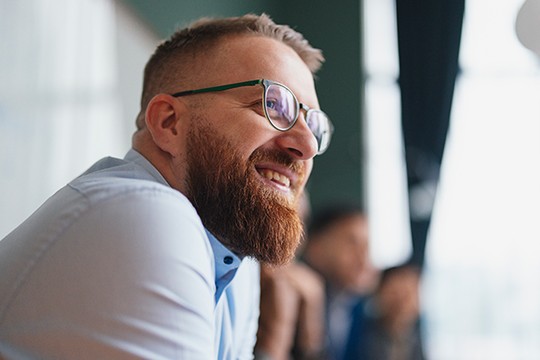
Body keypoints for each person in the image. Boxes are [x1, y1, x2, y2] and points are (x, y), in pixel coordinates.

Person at [0, 13, 333, 359]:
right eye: (273, 105)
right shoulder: (146, 214)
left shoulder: (233, 261)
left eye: (314, 125)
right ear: (169, 122)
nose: (307, 146)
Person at [301, 204, 378, 360]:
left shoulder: (364, 309)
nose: (363, 258)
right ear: (316, 248)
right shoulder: (295, 297)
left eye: (367, 247)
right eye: (352, 243)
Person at [346, 264, 425, 360]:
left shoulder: (415, 336)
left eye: (410, 294)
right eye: (396, 293)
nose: (404, 304)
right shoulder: (361, 331)